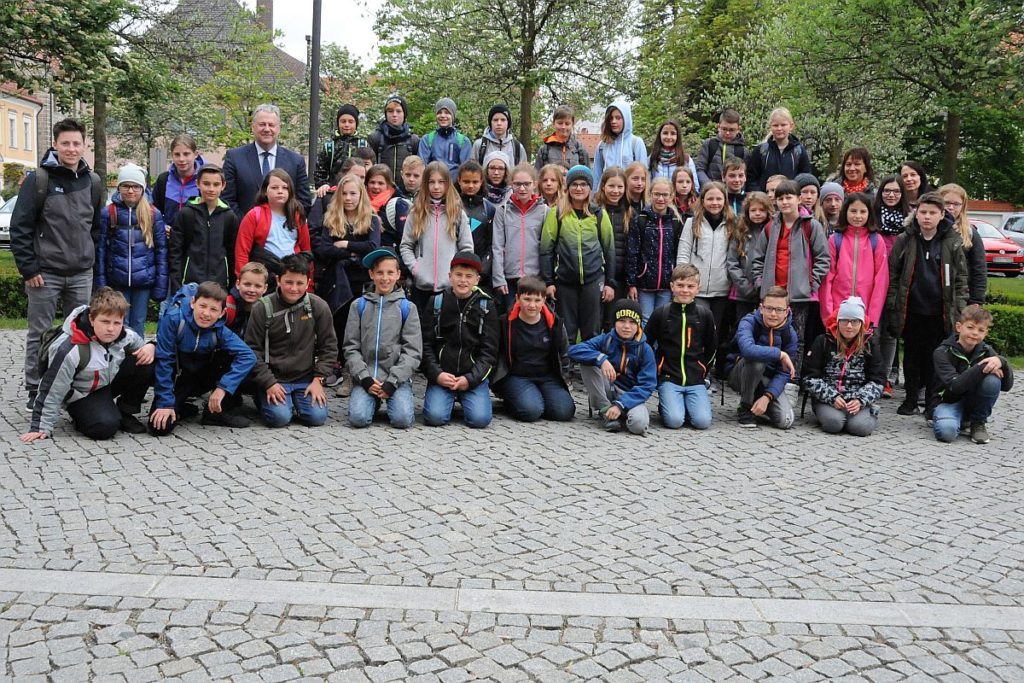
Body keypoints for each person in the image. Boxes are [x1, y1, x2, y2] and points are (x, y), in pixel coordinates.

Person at [10, 118, 106, 411]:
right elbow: (20, 228)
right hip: (45, 275)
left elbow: (94, 229)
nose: (71, 148)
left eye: (77, 143)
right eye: (65, 143)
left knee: (81, 332)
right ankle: (34, 388)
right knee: (39, 333)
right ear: (55, 144)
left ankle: (74, 387)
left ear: (84, 145)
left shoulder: (93, 182)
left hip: (80, 273)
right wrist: (30, 269)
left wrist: (90, 261)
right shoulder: (39, 180)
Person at [22, 288, 154, 442]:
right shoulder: (70, 348)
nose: (111, 328)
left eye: (117, 322)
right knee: (105, 427)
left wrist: (152, 345)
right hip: (83, 393)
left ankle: (125, 411)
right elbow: (52, 387)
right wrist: (41, 426)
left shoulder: (125, 334)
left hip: (105, 381)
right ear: (92, 319)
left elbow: (142, 349)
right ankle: (83, 417)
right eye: (105, 321)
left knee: (147, 357)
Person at [885, 191, 968, 418]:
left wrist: (959, 308)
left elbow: (961, 279)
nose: (927, 217)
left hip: (940, 312)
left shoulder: (952, 242)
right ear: (916, 213)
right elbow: (893, 274)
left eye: (932, 213)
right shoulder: (905, 239)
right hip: (911, 310)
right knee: (911, 356)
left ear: (942, 215)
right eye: (923, 212)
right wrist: (893, 303)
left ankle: (932, 401)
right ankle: (911, 399)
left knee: (936, 357)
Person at [148, 281, 257, 435]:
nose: (206, 314)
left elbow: (248, 356)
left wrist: (222, 388)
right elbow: (164, 360)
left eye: (213, 309)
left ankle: (215, 413)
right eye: (203, 306)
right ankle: (181, 407)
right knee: (159, 427)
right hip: (179, 377)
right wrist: (165, 403)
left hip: (202, 376)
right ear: (193, 303)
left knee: (230, 355)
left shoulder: (220, 330)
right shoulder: (173, 319)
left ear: (221, 313)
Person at [244, 253, 338, 428]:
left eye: (300, 283)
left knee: (317, 418)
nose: (294, 288)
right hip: (274, 378)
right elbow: (252, 350)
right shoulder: (262, 307)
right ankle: (264, 397)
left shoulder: (318, 306)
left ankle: (293, 400)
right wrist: (268, 382)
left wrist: (318, 380)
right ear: (278, 280)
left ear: (308, 283)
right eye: (289, 282)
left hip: (305, 378)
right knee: (279, 418)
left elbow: (329, 346)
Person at [749, 179, 829, 377]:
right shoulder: (771, 227)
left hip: (800, 295)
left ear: (799, 199)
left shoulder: (811, 226)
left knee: (797, 339)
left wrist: (812, 283)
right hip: (772, 294)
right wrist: (761, 283)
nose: (785, 202)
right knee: (769, 337)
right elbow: (757, 258)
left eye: (789, 197)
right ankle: (768, 378)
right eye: (780, 198)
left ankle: (792, 378)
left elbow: (823, 258)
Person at [311, 173, 382, 393]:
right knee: (339, 325)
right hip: (336, 282)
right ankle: (337, 367)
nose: (349, 198)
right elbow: (323, 249)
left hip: (361, 281)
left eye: (353, 193)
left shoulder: (371, 219)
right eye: (345, 193)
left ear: (361, 195)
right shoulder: (331, 218)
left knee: (359, 328)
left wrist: (344, 244)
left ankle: (354, 372)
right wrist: (351, 253)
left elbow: (373, 248)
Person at [343, 248, 422, 429]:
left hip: (396, 379)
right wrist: (365, 379)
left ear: (398, 274)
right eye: (379, 272)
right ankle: (372, 400)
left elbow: (413, 351)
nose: (385, 278)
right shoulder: (359, 306)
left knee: (402, 420)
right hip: (367, 377)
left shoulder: (407, 308)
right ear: (371, 274)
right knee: (358, 419)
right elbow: (350, 347)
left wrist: (393, 381)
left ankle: (391, 395)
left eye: (390, 272)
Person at [420, 251, 499, 428]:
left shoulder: (487, 306)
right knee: (435, 418)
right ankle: (445, 396)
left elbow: (490, 352)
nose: (463, 280)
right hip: (443, 375)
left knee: (479, 420)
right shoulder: (436, 303)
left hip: (472, 376)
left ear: (477, 280)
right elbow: (426, 345)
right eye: (458, 275)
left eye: (469, 276)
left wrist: (470, 379)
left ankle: (467, 396)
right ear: (450, 276)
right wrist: (437, 374)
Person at [540, 165, 616, 344]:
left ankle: (589, 369)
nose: (579, 188)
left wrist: (610, 283)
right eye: (574, 184)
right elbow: (546, 250)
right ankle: (567, 369)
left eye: (583, 184)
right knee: (566, 330)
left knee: (592, 330)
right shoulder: (557, 213)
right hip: (565, 281)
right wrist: (548, 281)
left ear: (590, 188)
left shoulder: (599, 214)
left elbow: (609, 250)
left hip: (593, 279)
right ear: (568, 187)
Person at [96, 164, 170, 336]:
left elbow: (161, 252)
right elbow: (100, 250)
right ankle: (118, 359)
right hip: (117, 280)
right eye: (126, 186)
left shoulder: (153, 214)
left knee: (137, 323)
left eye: (135, 186)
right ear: (119, 188)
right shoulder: (109, 212)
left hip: (143, 281)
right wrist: (101, 283)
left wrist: (160, 285)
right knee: (119, 322)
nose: (130, 191)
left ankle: (136, 360)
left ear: (142, 189)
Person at [492, 276, 575, 422]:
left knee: (564, 412)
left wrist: (566, 377)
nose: (532, 305)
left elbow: (564, 352)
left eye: (537, 300)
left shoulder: (555, 324)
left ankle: (538, 397)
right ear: (517, 298)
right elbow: (496, 354)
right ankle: (516, 399)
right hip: (517, 376)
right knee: (531, 411)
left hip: (547, 377)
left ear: (544, 300)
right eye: (527, 299)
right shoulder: (505, 323)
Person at [568, 299, 656, 434]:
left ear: (639, 325)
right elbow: (574, 350)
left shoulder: (645, 349)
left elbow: (647, 385)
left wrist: (621, 405)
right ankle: (604, 409)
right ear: (615, 323)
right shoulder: (606, 339)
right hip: (607, 387)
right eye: (622, 321)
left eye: (632, 322)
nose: (626, 326)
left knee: (638, 425)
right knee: (587, 361)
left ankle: (618, 412)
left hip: (629, 393)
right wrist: (601, 359)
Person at [644, 264, 716, 430]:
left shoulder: (704, 315)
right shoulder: (661, 313)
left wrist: (703, 371)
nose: (685, 290)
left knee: (702, 422)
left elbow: (712, 347)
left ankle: (688, 405)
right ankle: (667, 405)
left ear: (698, 288)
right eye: (680, 285)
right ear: (672, 287)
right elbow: (646, 344)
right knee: (675, 421)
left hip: (695, 379)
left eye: (690, 286)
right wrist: (656, 370)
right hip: (669, 378)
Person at [802, 296, 886, 436]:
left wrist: (860, 399)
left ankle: (869, 413)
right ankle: (831, 413)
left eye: (854, 322)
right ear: (838, 321)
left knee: (860, 428)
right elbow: (808, 377)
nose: (849, 326)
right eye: (845, 320)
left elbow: (878, 380)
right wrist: (832, 396)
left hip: (857, 398)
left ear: (861, 323)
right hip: (828, 398)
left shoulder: (870, 345)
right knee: (833, 424)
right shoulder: (823, 341)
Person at [932, 305, 1014, 445]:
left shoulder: (986, 351)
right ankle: (954, 419)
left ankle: (978, 422)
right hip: (948, 401)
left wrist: (1002, 362)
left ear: (985, 333)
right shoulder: (942, 352)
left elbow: (1005, 386)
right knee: (947, 433)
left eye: (981, 330)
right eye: (970, 327)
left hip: (974, 401)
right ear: (959, 327)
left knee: (992, 381)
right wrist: (983, 366)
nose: (975, 333)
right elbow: (955, 386)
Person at [400, 160, 475, 311]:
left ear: (448, 183)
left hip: (448, 287)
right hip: (421, 286)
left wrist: (457, 275)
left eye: (441, 182)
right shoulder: (416, 213)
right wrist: (415, 268)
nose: (436, 187)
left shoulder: (458, 214)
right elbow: (406, 245)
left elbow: (466, 248)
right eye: (431, 182)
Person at [726, 286, 798, 429]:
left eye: (779, 310)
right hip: (741, 374)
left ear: (787, 312)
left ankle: (760, 403)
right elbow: (748, 350)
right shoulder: (749, 322)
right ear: (761, 308)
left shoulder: (790, 334)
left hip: (767, 381)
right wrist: (780, 354)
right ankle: (746, 408)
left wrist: (767, 397)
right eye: (769, 308)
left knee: (785, 421)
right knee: (757, 360)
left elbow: (784, 372)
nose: (773, 314)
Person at [223, 103, 311, 218]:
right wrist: (248, 226)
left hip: (284, 232)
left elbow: (304, 202)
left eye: (271, 125)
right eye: (262, 124)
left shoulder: (296, 161)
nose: (267, 129)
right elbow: (227, 200)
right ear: (253, 127)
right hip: (245, 232)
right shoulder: (234, 158)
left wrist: (283, 226)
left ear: (278, 128)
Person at [677, 182, 737, 351]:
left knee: (716, 331)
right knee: (696, 330)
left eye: (719, 198)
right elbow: (683, 252)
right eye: (710, 198)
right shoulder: (692, 222)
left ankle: (711, 368)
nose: (715, 202)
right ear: (702, 201)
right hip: (697, 288)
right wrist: (685, 282)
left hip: (721, 288)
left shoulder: (732, 223)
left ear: (724, 201)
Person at [819, 193, 889, 329]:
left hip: (865, 311)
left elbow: (881, 281)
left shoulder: (876, 240)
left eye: (863, 211)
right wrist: (829, 316)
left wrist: (872, 318)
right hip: (838, 311)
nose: (858, 216)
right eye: (853, 211)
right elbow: (827, 279)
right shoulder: (835, 239)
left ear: (870, 213)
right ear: (845, 212)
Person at [234, 169, 312, 289]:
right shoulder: (254, 215)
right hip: (264, 277)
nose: (280, 191)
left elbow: (306, 251)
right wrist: (243, 280)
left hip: (291, 276)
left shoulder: (298, 215)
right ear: (265, 191)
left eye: (285, 188)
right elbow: (242, 251)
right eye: (274, 187)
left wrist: (309, 284)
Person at [169, 165, 239, 292]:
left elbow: (232, 253)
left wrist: (231, 286)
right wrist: (177, 286)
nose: (211, 189)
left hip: (219, 285)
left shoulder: (229, 217)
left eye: (216, 184)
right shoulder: (186, 214)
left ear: (223, 186)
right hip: (189, 284)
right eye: (206, 184)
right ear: (197, 184)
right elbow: (175, 252)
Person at [626, 177, 684, 324]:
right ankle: (645, 347)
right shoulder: (641, 219)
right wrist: (631, 283)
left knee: (663, 319)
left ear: (671, 196)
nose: (660, 198)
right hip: (644, 282)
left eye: (665, 195)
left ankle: (660, 348)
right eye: (657, 194)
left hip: (666, 283)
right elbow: (633, 252)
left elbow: (678, 252)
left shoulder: (676, 222)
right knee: (646, 319)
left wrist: (676, 278)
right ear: (650, 194)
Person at [872, 174, 909, 396]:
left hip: (898, 285)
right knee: (873, 332)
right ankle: (872, 375)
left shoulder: (909, 222)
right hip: (874, 282)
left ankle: (885, 377)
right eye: (887, 190)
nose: (891, 195)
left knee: (890, 333)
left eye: (896, 191)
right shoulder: (872, 218)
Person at [492, 164, 546, 312]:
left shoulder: (544, 211)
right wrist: (498, 278)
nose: (522, 189)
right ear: (511, 184)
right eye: (517, 184)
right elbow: (497, 246)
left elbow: (548, 247)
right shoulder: (502, 212)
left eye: (526, 184)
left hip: (535, 277)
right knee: (511, 317)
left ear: (534, 184)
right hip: (510, 278)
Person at [727, 192, 773, 320]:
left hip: (768, 293)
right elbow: (732, 262)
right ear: (747, 212)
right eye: (753, 210)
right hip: (743, 293)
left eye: (762, 210)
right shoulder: (740, 232)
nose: (757, 213)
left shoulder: (773, 231)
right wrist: (745, 286)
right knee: (744, 326)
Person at [939, 183, 987, 305]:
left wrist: (976, 300)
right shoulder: (929, 229)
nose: (950, 207)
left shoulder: (970, 233)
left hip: (959, 297)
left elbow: (979, 268)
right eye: (946, 203)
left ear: (963, 206)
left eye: (956, 204)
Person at [744, 107, 812, 192]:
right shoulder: (761, 150)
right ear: (770, 127)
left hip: (789, 199)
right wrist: (760, 195)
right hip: (765, 200)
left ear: (791, 126)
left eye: (783, 125)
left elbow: (805, 177)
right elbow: (752, 178)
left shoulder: (799, 151)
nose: (779, 129)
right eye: (775, 125)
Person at [595, 167, 630, 326]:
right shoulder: (594, 211)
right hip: (598, 275)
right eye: (611, 186)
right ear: (603, 186)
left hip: (620, 277)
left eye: (620, 187)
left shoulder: (629, 213)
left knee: (613, 320)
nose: (615, 191)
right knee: (596, 320)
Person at [457, 160, 496, 292]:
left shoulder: (489, 208)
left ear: (481, 182)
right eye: (466, 182)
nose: (471, 186)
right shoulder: (452, 206)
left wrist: (483, 269)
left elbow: (491, 243)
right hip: (455, 270)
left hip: (481, 273)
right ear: (459, 180)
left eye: (475, 182)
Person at [315, 104, 370, 196]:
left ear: (356, 124)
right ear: (338, 123)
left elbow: (370, 170)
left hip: (358, 192)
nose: (347, 125)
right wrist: (324, 185)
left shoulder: (363, 145)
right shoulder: (330, 146)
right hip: (334, 192)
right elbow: (320, 172)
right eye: (343, 121)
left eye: (350, 121)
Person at [153, 134, 205, 228]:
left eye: (186, 154)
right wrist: (163, 227)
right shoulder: (163, 180)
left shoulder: (204, 180)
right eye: (177, 154)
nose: (181, 159)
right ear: (171, 155)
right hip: (168, 239)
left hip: (195, 240)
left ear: (195, 154)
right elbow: (154, 211)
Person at [367, 94, 421, 181]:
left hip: (406, 190)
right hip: (381, 189)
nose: (394, 115)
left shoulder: (413, 140)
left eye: (398, 111)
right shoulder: (375, 138)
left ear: (404, 114)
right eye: (390, 111)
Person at [592, 100, 648, 180]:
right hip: (607, 191)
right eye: (611, 118)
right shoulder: (602, 145)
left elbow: (644, 175)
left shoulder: (636, 143)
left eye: (618, 118)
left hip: (629, 191)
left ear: (626, 119)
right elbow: (597, 176)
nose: (613, 121)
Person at [418, 97, 472, 177]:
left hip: (455, 187)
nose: (443, 116)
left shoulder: (463, 141)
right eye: (439, 112)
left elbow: (466, 170)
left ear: (453, 116)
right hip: (432, 186)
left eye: (447, 113)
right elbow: (422, 167)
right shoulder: (427, 140)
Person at [695, 108, 746, 187]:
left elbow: (746, 176)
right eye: (724, 129)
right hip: (710, 190)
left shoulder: (743, 150)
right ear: (718, 127)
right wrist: (709, 186)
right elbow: (700, 169)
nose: (727, 133)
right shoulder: (709, 144)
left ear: (739, 129)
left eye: (732, 130)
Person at [365, 164, 409, 250]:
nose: (375, 186)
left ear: (388, 185)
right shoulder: (360, 202)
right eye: (372, 182)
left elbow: (404, 237)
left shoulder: (398, 204)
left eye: (381, 183)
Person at [648, 120, 699, 191]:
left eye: (673, 133)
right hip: (659, 199)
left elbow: (695, 187)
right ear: (660, 135)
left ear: (677, 136)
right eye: (665, 133)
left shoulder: (686, 159)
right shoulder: (652, 158)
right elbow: (648, 186)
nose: (669, 137)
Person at [534, 105, 589, 171]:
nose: (563, 127)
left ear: (572, 125)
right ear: (553, 124)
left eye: (567, 124)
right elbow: (537, 177)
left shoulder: (580, 150)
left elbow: (587, 177)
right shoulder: (544, 150)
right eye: (560, 123)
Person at [224, 261, 269, 338]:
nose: (251, 290)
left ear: (265, 288)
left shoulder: (266, 310)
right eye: (247, 284)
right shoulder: (226, 306)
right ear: (238, 284)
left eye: (257, 286)